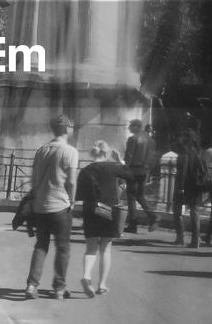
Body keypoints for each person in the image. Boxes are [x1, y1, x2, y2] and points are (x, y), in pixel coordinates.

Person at [24, 114, 79, 299]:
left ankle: (31, 286)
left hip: (40, 206)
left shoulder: (41, 150)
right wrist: (72, 201)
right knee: (63, 247)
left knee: (41, 246)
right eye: (71, 125)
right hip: (61, 206)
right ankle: (59, 288)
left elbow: (33, 181)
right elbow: (71, 182)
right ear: (67, 129)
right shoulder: (70, 151)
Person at [76, 141, 132, 296]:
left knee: (91, 246)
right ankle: (101, 284)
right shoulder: (112, 167)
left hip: (90, 208)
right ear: (107, 153)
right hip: (107, 208)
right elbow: (130, 175)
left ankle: (87, 276)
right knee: (106, 248)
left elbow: (79, 195)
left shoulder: (85, 170)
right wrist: (120, 160)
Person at [172, 127, 206, 248]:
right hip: (196, 186)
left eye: (181, 136)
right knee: (194, 213)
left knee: (176, 209)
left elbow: (183, 171)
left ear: (186, 138)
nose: (178, 139)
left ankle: (180, 237)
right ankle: (195, 240)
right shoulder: (197, 151)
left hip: (185, 187)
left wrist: (180, 187)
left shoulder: (184, 152)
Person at [124, 118, 157, 233]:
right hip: (145, 171)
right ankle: (153, 216)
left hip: (133, 170)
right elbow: (153, 158)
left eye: (130, 126)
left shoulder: (132, 139)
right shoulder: (151, 140)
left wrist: (124, 170)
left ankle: (133, 224)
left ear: (136, 127)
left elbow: (129, 156)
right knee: (140, 196)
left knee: (131, 197)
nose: (129, 128)